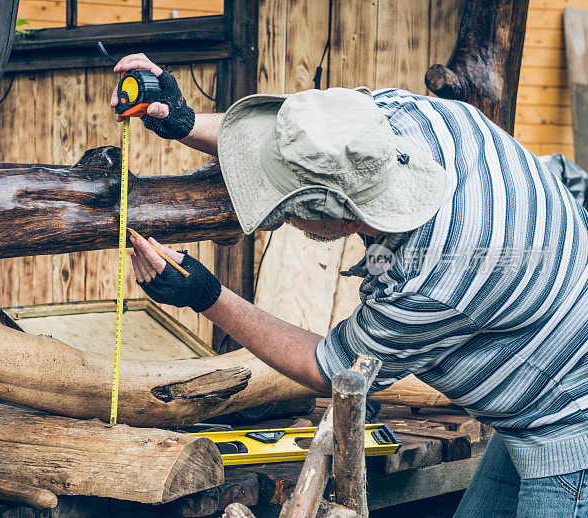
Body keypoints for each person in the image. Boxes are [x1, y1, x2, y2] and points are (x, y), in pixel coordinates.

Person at [111, 54, 588, 517]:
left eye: (286, 210)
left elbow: (331, 368)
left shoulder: (433, 279)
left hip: (568, 428)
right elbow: (303, 146)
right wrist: (184, 121)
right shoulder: (400, 121)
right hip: (546, 385)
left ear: (337, 222)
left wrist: (204, 295)